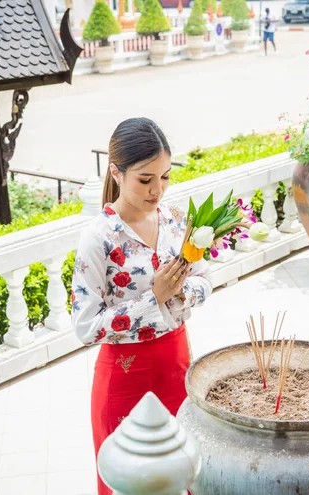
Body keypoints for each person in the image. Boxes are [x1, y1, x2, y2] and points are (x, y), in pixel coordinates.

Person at [71, 117, 213, 495]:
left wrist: (184, 292)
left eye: (165, 176)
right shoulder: (98, 238)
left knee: (184, 475)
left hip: (178, 363)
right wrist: (155, 298)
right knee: (129, 483)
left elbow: (205, 278)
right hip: (124, 374)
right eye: (145, 180)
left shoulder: (176, 220)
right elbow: (86, 327)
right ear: (116, 173)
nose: (158, 190)